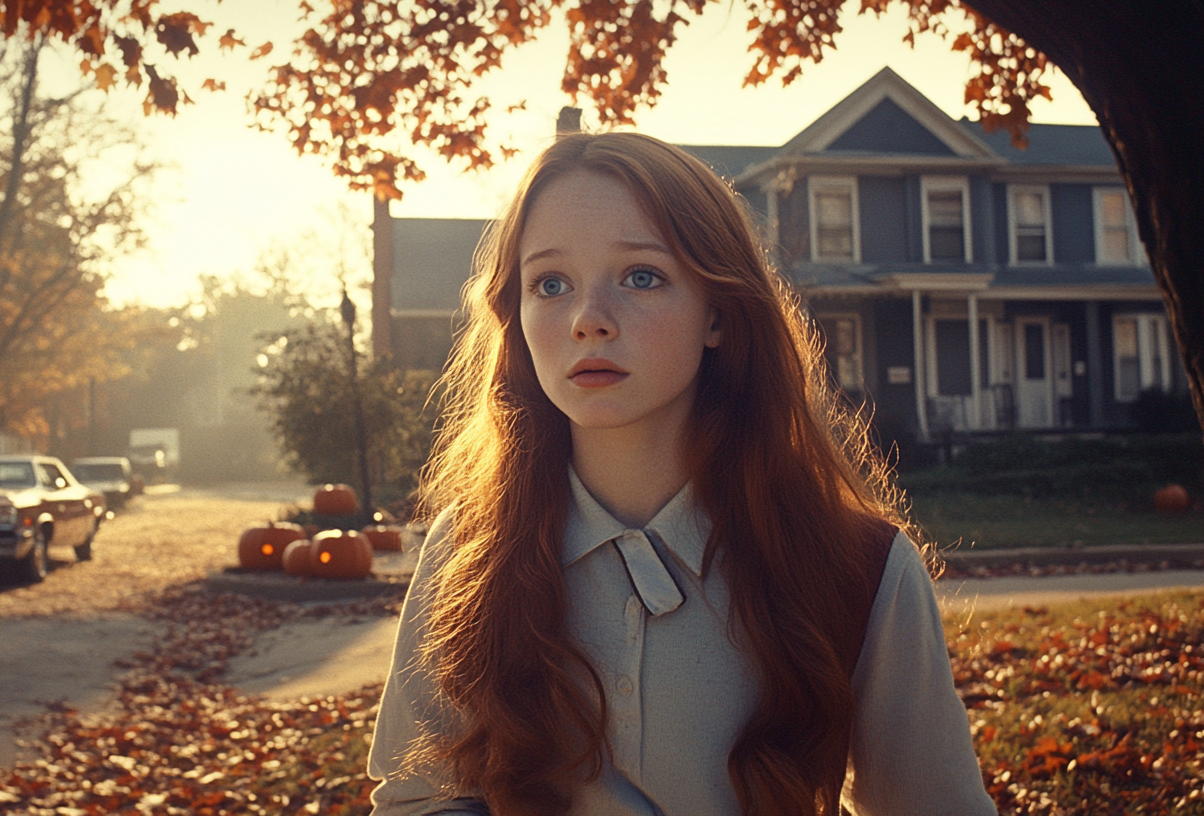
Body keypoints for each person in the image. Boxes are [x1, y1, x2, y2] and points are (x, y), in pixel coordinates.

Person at [367, 131, 996, 816]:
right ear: (515, 317)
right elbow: (419, 800)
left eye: (641, 276)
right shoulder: (469, 553)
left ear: (718, 313)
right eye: (550, 283)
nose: (588, 321)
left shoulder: (861, 566)